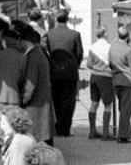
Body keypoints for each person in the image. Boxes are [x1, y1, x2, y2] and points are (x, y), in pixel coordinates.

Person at [43, 13, 82, 141]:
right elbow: (79, 53)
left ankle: (57, 127)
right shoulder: (75, 34)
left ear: (55, 19)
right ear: (68, 18)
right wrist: (74, 65)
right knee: (68, 101)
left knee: (56, 99)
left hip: (54, 70)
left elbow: (47, 52)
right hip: (70, 71)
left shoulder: (49, 34)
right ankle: (65, 128)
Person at [111, 31, 131, 144]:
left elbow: (109, 62)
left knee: (122, 107)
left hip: (116, 80)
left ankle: (127, 131)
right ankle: (123, 136)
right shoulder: (129, 50)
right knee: (126, 109)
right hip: (127, 81)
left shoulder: (112, 47)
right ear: (128, 37)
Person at [88, 28, 114, 140]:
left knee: (94, 103)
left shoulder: (92, 47)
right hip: (106, 77)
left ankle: (92, 131)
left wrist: (97, 67)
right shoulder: (109, 47)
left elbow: (89, 64)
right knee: (107, 104)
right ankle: (105, 133)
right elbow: (112, 63)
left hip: (94, 76)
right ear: (105, 34)